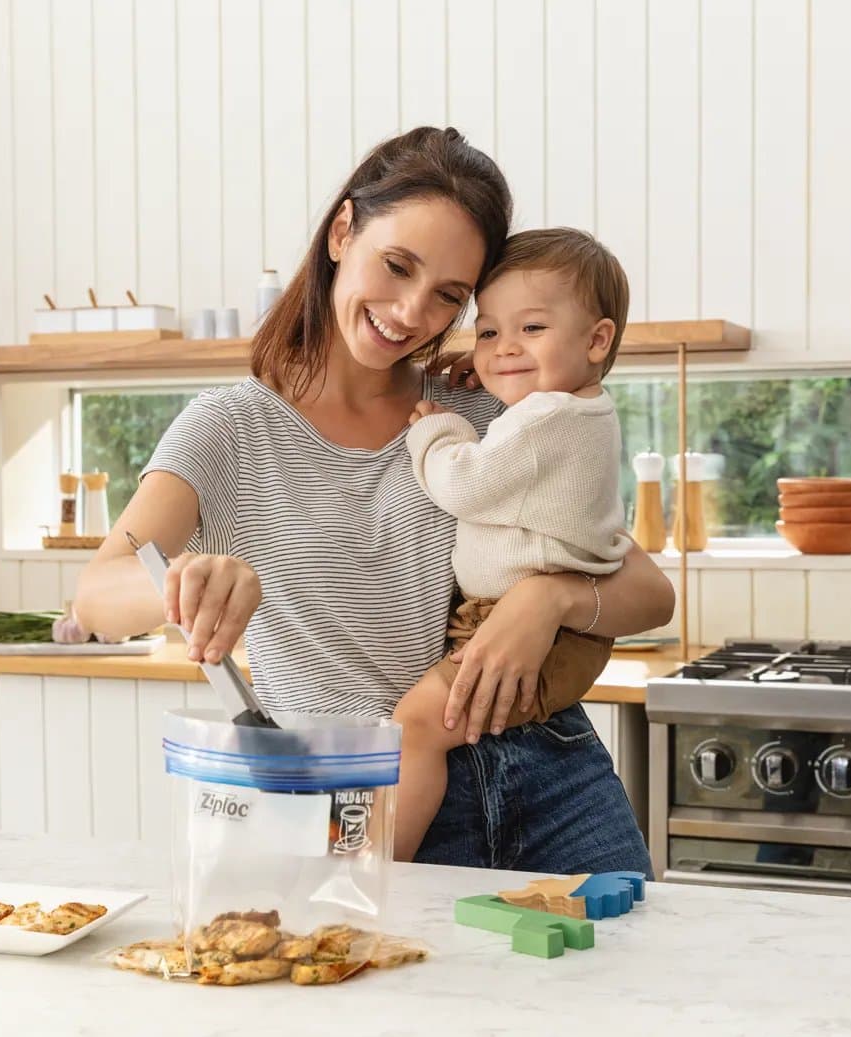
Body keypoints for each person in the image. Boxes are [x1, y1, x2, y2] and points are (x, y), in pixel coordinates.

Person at [75, 126, 672, 874]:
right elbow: (96, 596)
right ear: (342, 230)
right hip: (359, 798)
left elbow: (646, 590)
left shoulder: (477, 412)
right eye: (396, 266)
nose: (412, 312)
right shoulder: (230, 427)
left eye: (448, 297)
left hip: (552, 778)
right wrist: (187, 578)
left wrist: (546, 599)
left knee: (634, 988)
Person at [392, 227, 632, 862]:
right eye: (489, 331)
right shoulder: (577, 411)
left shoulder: (545, 417)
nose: (502, 349)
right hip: (555, 632)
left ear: (597, 339)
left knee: (417, 725)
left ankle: (382, 873)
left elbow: (465, 484)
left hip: (519, 628)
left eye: (531, 329)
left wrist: (435, 433)